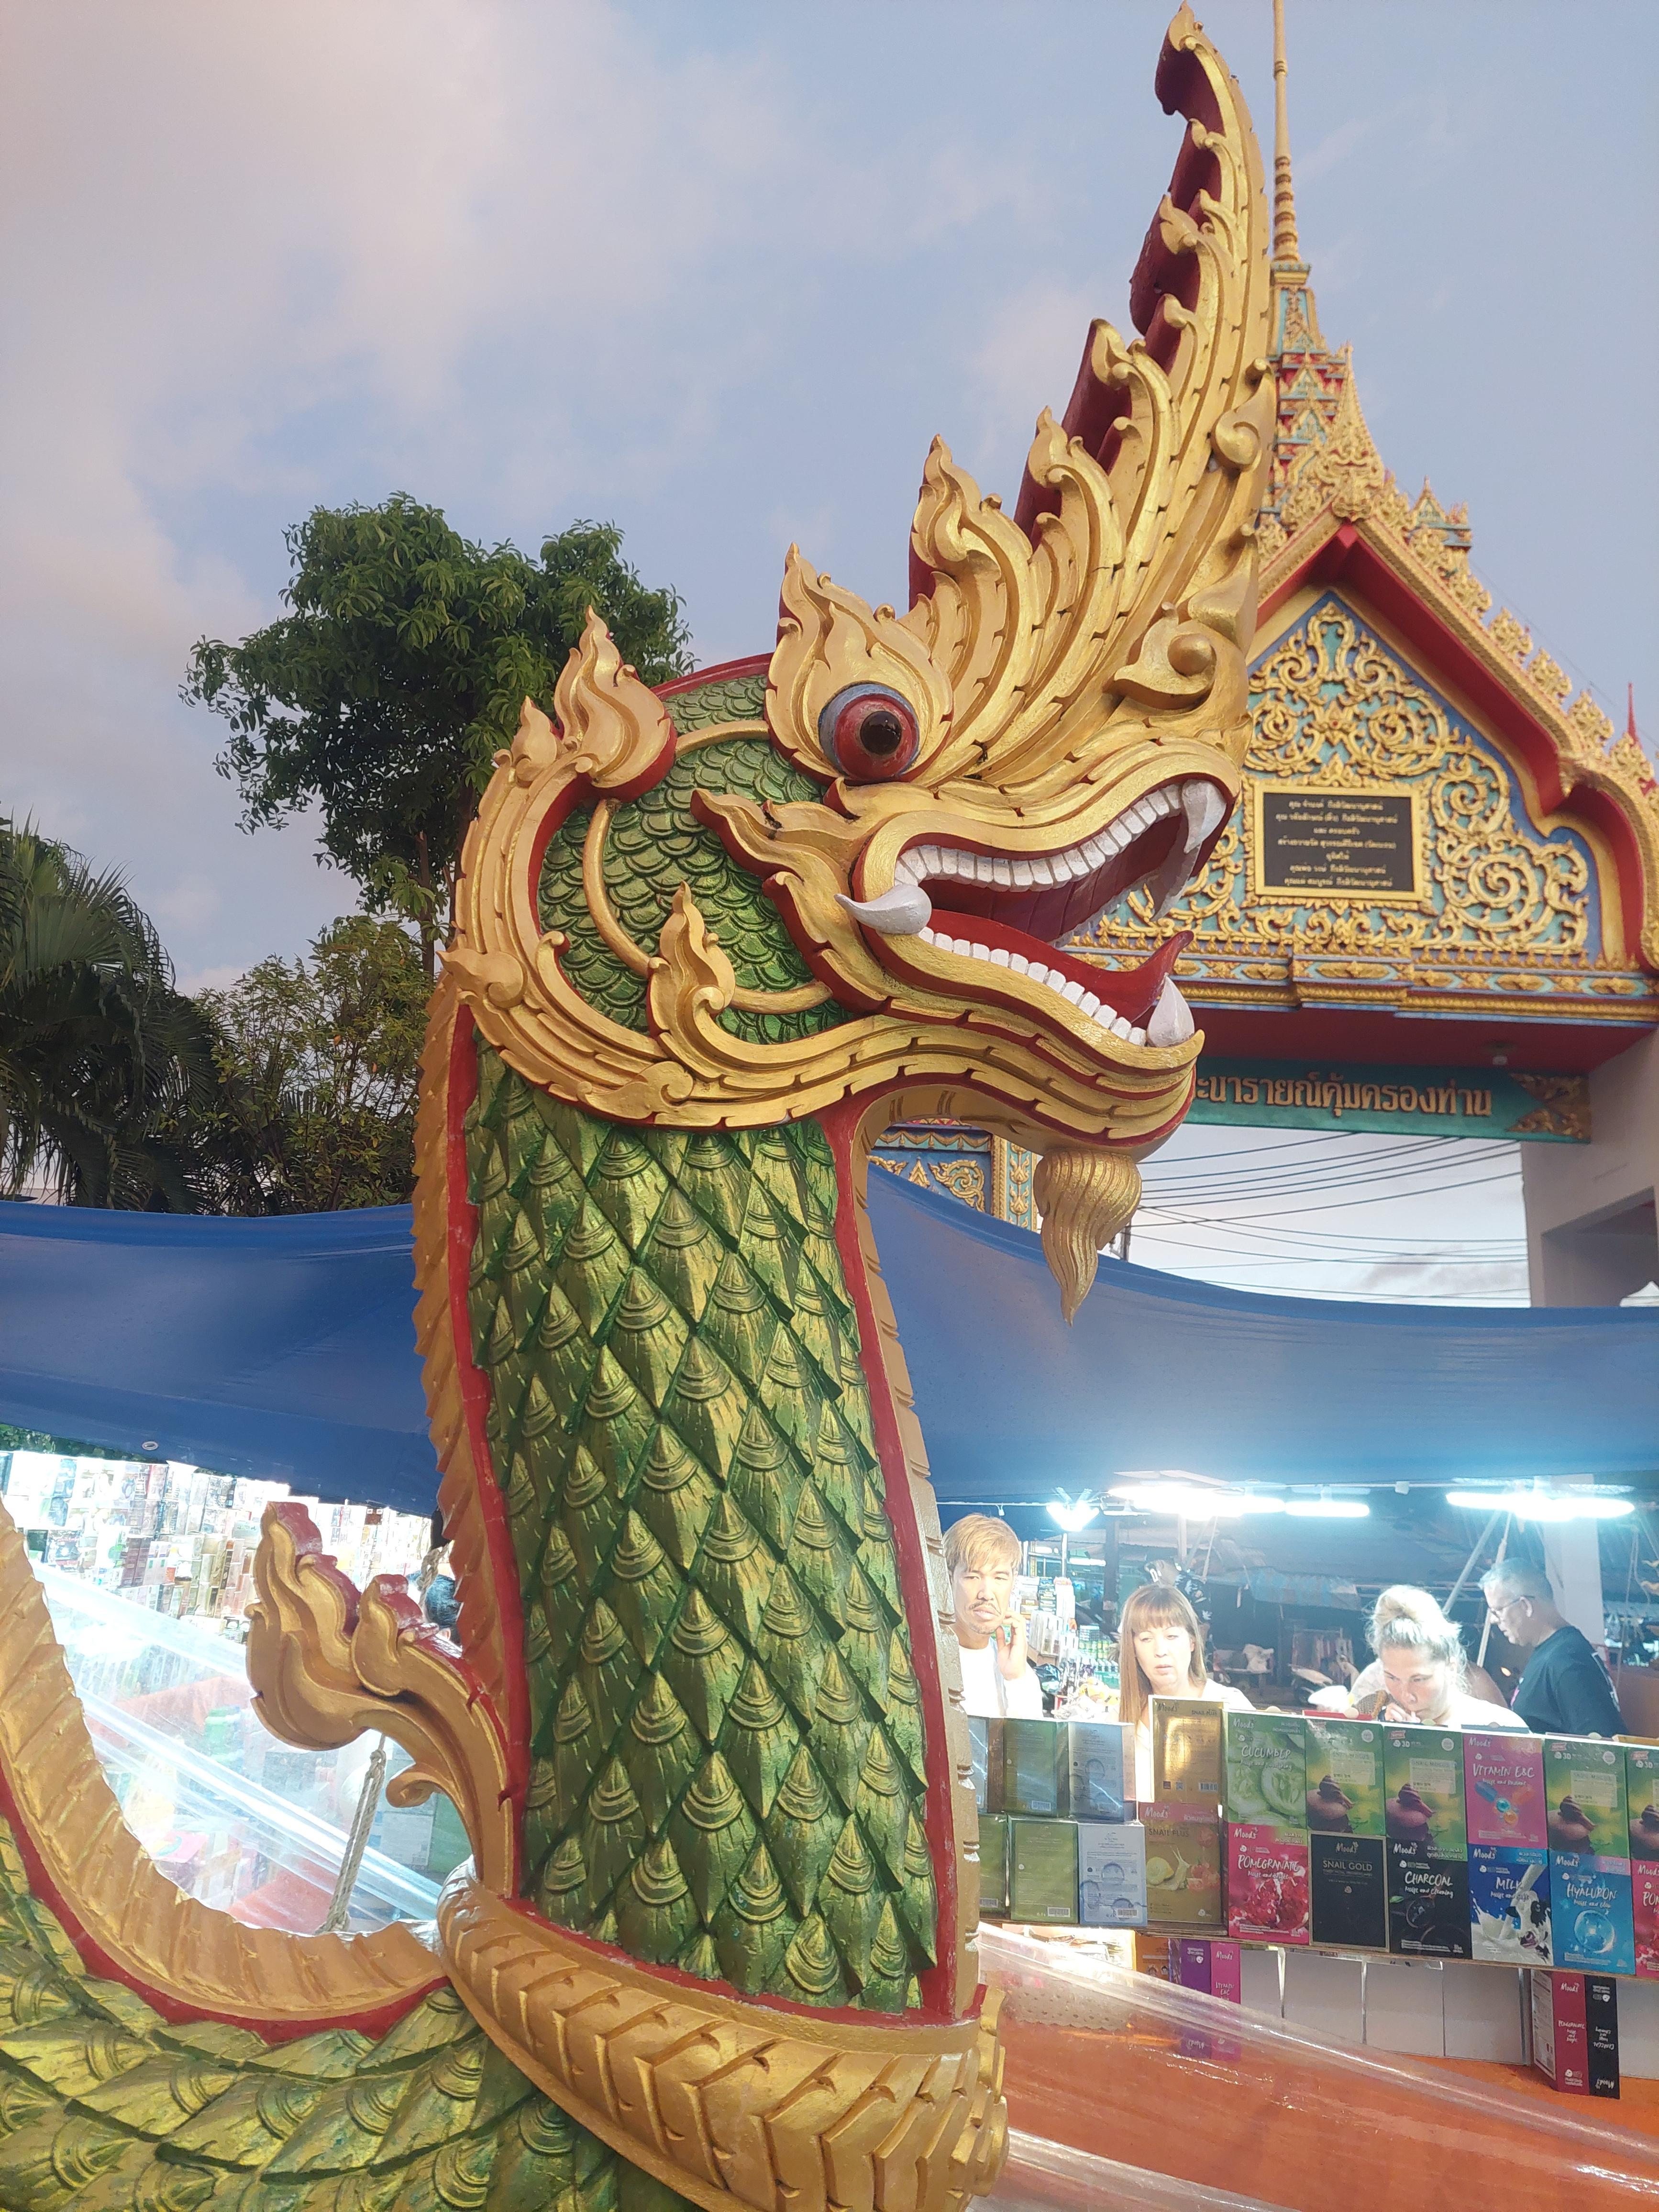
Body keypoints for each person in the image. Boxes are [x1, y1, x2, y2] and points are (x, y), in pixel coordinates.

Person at [1117, 1580, 1253, 1801]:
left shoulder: (1231, 1706)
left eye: (1171, 1636)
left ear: (1192, 1641)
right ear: (1132, 1648)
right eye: (1146, 1639)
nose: (1160, 1650)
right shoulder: (1118, 1720)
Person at [1482, 1559, 1623, 1738]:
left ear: (1526, 1606)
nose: (1494, 1620)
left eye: (1498, 1611)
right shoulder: (1553, 1652)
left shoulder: (1567, 1662)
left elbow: (1601, 1745)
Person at [1352, 1585, 1524, 1730]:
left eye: (1419, 1680)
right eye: (1392, 1678)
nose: (1407, 1696)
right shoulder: (1377, 1723)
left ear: (1451, 1668)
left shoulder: (1497, 1727)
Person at [943, 1514, 1043, 1718]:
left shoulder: (1020, 1673)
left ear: (1013, 1582)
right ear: (948, 1577)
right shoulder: (926, 1659)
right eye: (973, 1577)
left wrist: (1016, 1680)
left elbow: (1029, 1739)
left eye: (1000, 1578)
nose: (987, 1594)